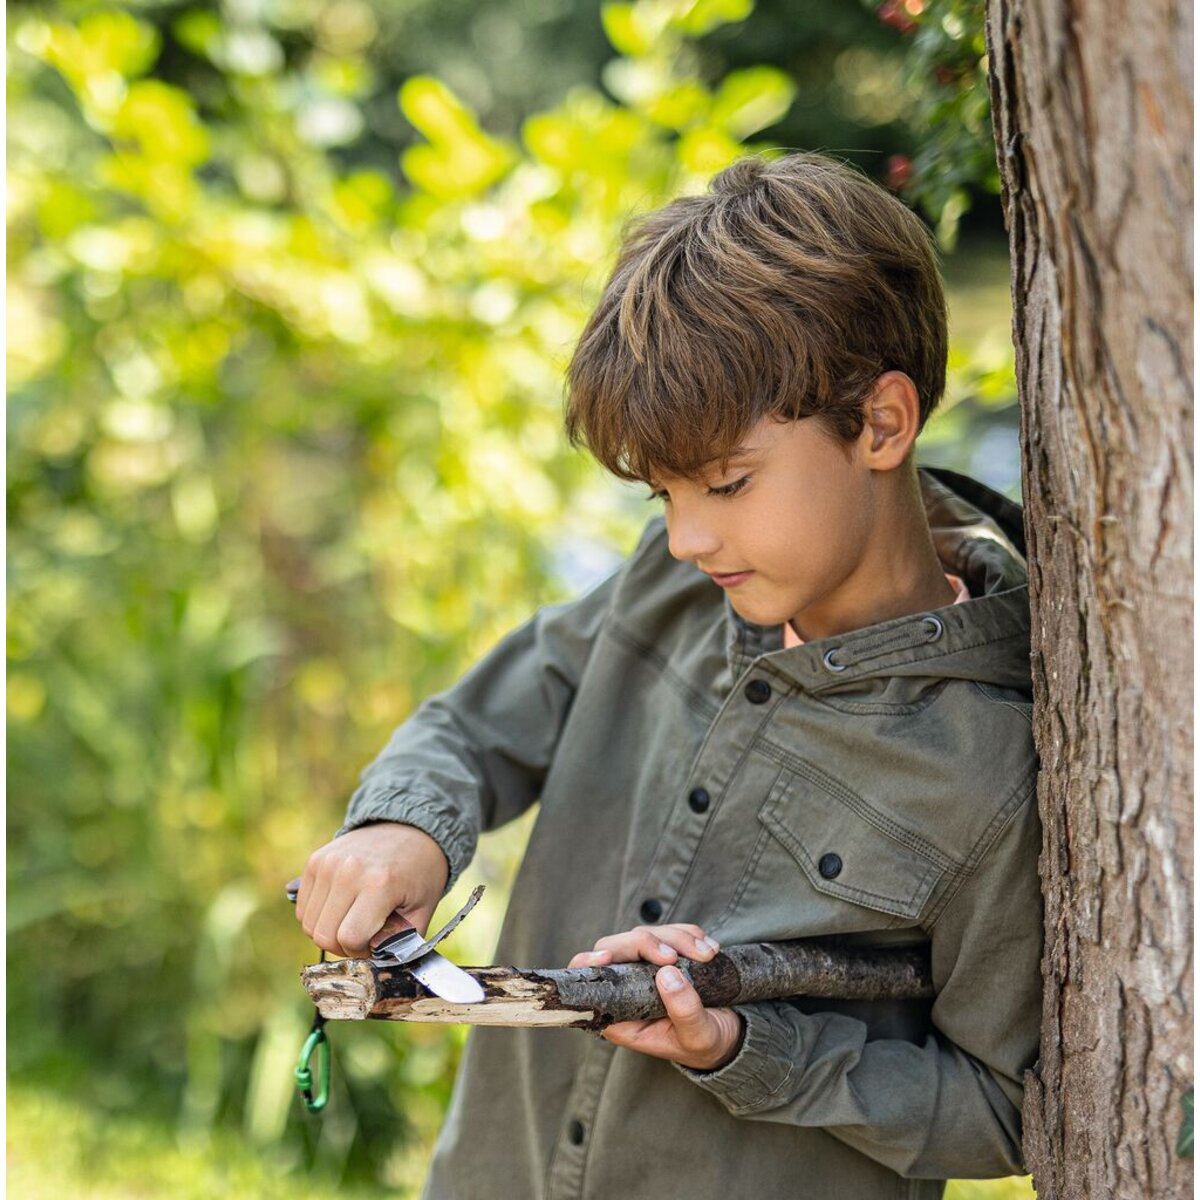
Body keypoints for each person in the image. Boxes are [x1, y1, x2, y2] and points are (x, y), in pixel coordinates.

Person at [293, 150, 1043, 1199]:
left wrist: (746, 1049)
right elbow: (479, 725)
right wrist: (404, 826)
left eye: (726, 484)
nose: (688, 536)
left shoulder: (992, 767)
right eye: (662, 497)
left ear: (881, 423)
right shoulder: (675, 582)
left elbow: (998, 1109)